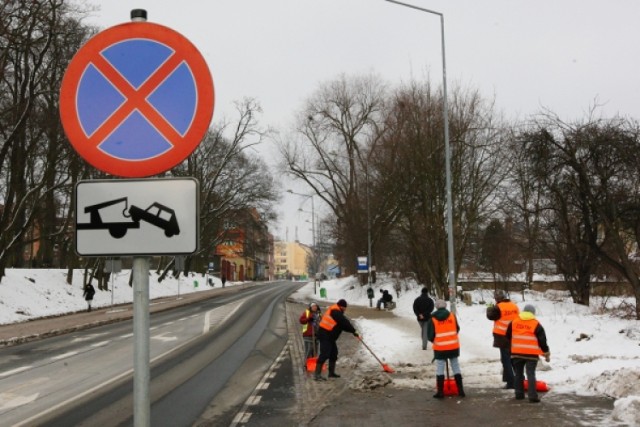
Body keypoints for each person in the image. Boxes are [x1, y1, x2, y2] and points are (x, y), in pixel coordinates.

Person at [506, 304, 550, 403]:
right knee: (530, 374)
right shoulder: (536, 324)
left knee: (518, 374)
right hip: (531, 354)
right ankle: (532, 396)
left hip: (516, 353)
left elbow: (508, 335)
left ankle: (519, 394)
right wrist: (546, 351)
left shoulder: (514, 322)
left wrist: (511, 347)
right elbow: (542, 340)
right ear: (533, 313)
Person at [427, 299, 465, 398]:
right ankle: (461, 390)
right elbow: (457, 329)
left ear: (436, 307)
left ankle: (440, 392)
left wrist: (436, 340)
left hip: (440, 348)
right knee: (455, 366)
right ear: (445, 306)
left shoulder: (433, 318)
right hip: (453, 346)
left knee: (440, 368)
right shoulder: (452, 315)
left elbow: (430, 335)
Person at [314, 299, 358, 381]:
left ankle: (331, 373)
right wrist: (354, 330)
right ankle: (317, 375)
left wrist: (353, 332)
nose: (345, 309)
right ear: (342, 306)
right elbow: (344, 322)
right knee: (325, 354)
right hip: (325, 335)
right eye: (345, 308)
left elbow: (343, 326)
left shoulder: (337, 312)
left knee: (334, 353)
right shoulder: (335, 311)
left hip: (330, 337)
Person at [486, 289, 519, 389]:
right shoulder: (514, 305)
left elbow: (490, 316)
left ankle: (511, 382)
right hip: (514, 336)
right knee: (514, 360)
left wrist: (489, 308)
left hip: (502, 337)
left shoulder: (498, 307)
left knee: (506, 360)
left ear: (497, 298)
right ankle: (519, 379)